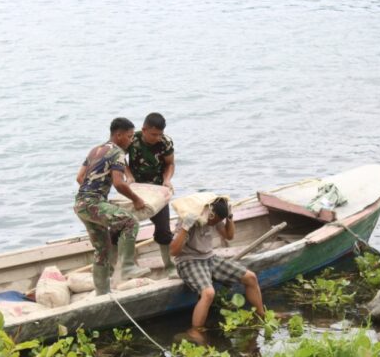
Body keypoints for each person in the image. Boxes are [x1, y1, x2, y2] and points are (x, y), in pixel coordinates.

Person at [74, 117, 150, 295]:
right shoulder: (117, 152)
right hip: (93, 203)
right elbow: (118, 183)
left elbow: (80, 178)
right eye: (130, 137)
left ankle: (102, 292)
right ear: (119, 135)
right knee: (130, 222)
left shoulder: (96, 150)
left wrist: (93, 192)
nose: (131, 141)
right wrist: (136, 199)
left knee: (102, 248)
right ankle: (128, 267)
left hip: (80, 204)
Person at [169, 197, 265, 334]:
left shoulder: (215, 218)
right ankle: (195, 331)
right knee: (208, 293)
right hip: (188, 261)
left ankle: (262, 315)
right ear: (210, 213)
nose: (213, 223)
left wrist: (229, 218)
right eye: (214, 220)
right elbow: (173, 251)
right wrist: (185, 227)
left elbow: (229, 236)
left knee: (251, 277)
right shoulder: (191, 218)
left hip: (210, 258)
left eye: (217, 221)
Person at [125, 112, 177, 277]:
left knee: (163, 230)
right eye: (153, 134)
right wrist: (128, 176)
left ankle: (170, 266)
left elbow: (170, 164)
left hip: (157, 190)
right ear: (144, 130)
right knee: (125, 227)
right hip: (135, 189)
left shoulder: (165, 142)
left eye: (159, 134)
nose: (157, 138)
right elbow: (119, 160)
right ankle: (126, 267)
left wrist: (167, 180)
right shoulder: (132, 139)